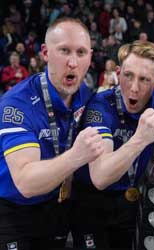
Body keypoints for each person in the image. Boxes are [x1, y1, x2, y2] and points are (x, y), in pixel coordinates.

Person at [71, 40, 154, 249]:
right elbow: (100, 177)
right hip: (93, 204)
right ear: (117, 72)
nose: (133, 88)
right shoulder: (100, 106)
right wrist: (140, 139)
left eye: (144, 80)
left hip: (133, 203)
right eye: (128, 76)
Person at [0, 17, 103, 250]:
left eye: (81, 52)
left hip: (55, 207)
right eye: (64, 51)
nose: (73, 62)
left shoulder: (84, 95)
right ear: (45, 53)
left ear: (90, 57)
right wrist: (76, 156)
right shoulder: (16, 104)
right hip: (13, 211)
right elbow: (25, 182)